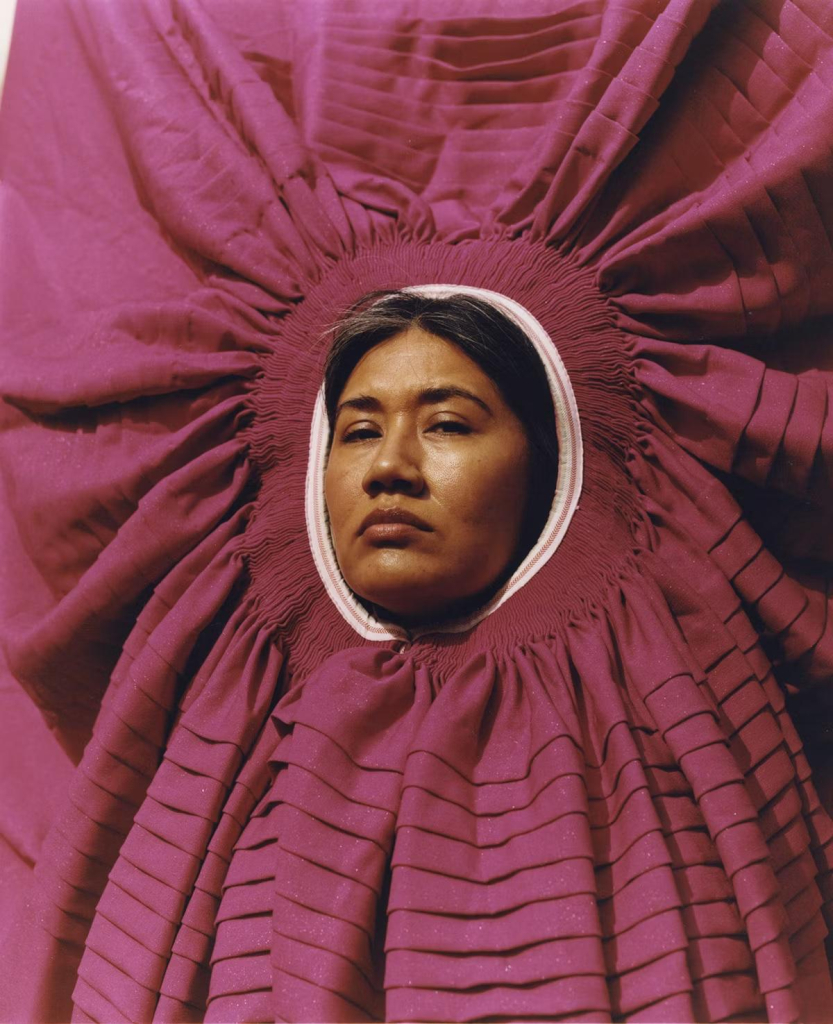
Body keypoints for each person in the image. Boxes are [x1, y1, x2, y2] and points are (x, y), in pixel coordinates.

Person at [2, 2, 833, 1023]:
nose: (389, 466)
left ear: (547, 459)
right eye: (355, 429)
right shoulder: (210, 814)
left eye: (446, 423)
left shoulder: (687, 764)